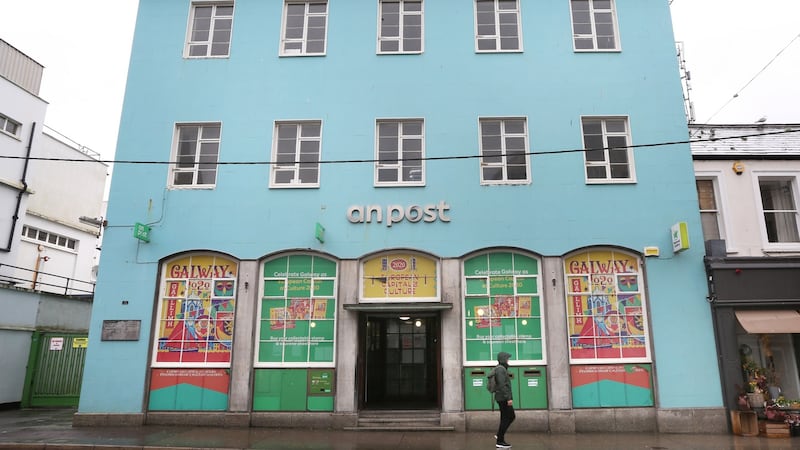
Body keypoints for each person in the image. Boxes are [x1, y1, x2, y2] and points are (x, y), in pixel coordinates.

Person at [491, 351, 515, 448]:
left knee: (507, 417)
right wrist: (508, 398)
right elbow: (502, 385)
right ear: (503, 359)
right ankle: (500, 440)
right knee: (509, 417)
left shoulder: (501, 369)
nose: (508, 360)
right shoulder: (500, 370)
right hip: (503, 398)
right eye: (507, 358)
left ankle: (499, 436)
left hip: (502, 397)